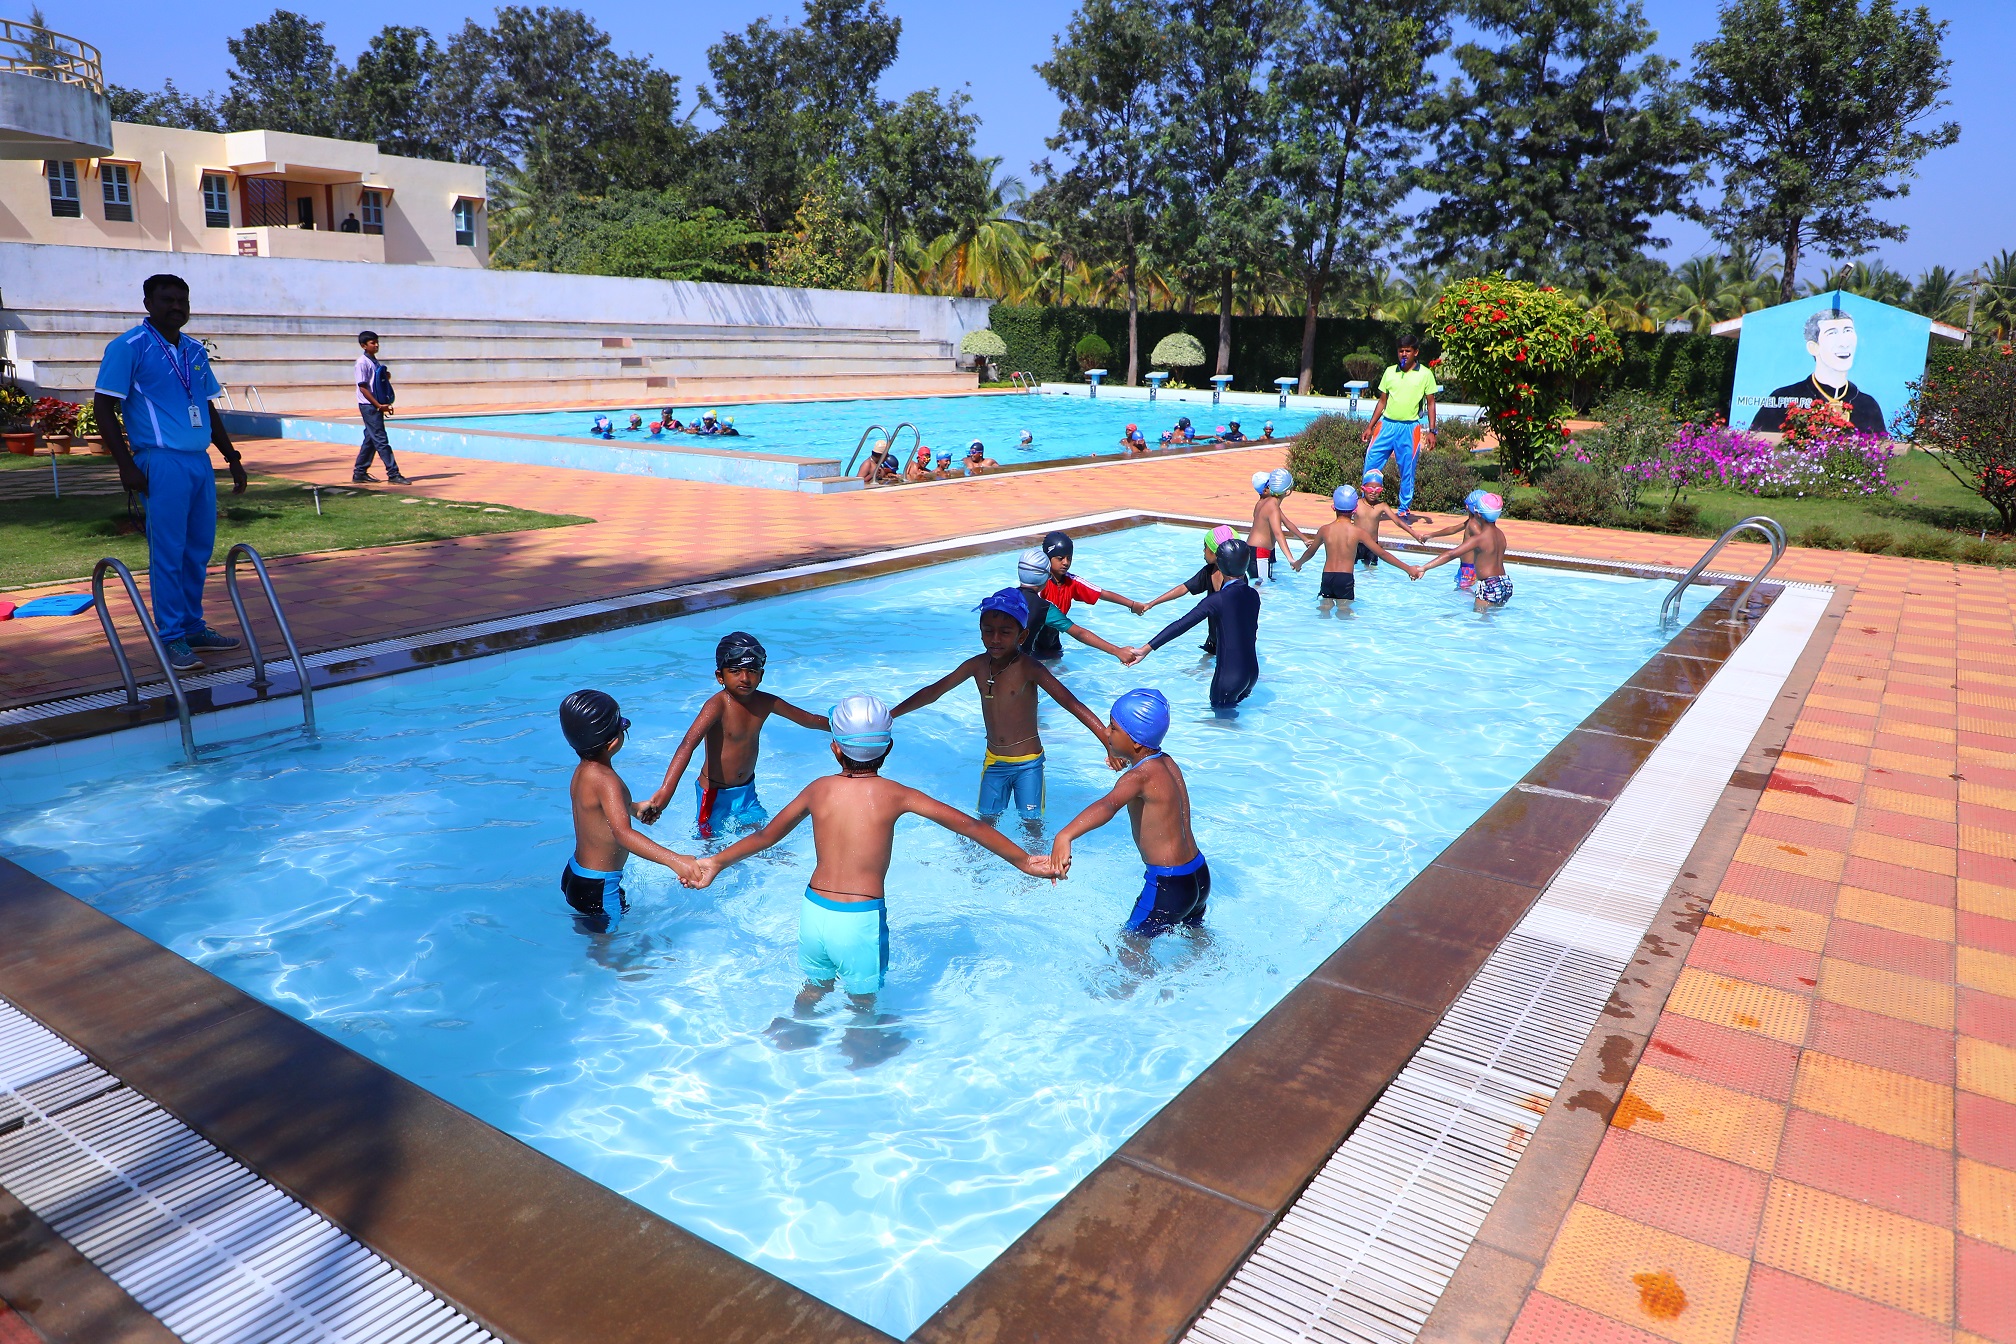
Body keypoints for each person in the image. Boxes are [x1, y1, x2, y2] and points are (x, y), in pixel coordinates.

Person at [688, 695, 1052, 1064]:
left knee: (816, 984)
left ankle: (798, 1027)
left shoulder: (818, 789)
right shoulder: (896, 795)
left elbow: (765, 837)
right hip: (859, 919)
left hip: (814, 911)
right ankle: (860, 1048)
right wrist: (1023, 861)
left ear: (835, 749)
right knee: (863, 999)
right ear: (888, 747)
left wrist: (716, 861)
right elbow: (971, 826)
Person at [92, 273, 249, 673]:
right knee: (169, 551)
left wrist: (230, 456)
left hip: (198, 462)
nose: (176, 306)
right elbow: (103, 407)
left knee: (198, 548)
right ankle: (171, 638)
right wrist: (126, 464)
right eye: (167, 300)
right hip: (159, 461)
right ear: (148, 303)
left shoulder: (195, 351)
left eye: (182, 300)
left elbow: (207, 407)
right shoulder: (129, 347)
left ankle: (193, 627)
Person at [891, 589, 1110, 827]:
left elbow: (1070, 703)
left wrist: (1106, 742)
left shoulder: (1029, 668)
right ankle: (973, 863)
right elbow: (933, 692)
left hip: (1028, 764)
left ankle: (1038, 862)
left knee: (1032, 825)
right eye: (988, 631)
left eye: (1005, 633)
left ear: (1022, 635)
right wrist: (891, 715)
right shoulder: (976, 666)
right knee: (985, 823)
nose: (995, 639)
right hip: (994, 762)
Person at [1048, 689, 1208, 967]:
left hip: (1168, 885)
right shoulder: (1166, 762)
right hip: (1198, 874)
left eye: (1113, 727)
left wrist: (1065, 835)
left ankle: (1131, 1004)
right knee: (1196, 942)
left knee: (1129, 948)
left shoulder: (1139, 777)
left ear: (1135, 742)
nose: (1107, 733)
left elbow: (1107, 805)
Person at [639, 632, 830, 839]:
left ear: (761, 675)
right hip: (714, 795)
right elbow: (687, 745)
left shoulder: (766, 702)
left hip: (747, 790)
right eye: (735, 671)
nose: (745, 678)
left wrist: (844, 727)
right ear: (720, 676)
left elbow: (808, 720)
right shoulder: (717, 706)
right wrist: (665, 792)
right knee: (712, 844)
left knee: (762, 838)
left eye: (752, 671)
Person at [560, 689, 698, 935]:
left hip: (576, 875)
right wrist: (676, 861)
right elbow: (623, 835)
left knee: (592, 931)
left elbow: (594, 810)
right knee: (608, 946)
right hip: (601, 886)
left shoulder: (582, 773)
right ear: (613, 742)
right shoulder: (607, 780)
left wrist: (634, 809)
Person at [1128, 539, 1262, 710]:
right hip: (1251, 674)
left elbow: (1181, 625)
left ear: (1219, 566)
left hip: (1229, 679)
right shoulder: (1253, 595)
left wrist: (1146, 649)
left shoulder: (1217, 599)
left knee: (1221, 726)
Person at [1748, 307, 1886, 433]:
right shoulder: (1783, 397)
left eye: (1848, 331)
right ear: (1813, 347)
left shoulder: (1867, 404)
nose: (1844, 343)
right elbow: (1758, 442)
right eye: (1832, 333)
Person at [1291, 485, 1424, 611]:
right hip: (1345, 578)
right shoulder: (1358, 532)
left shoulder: (1324, 530)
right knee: (1344, 610)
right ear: (1355, 509)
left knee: (1324, 608)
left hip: (1327, 577)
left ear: (1334, 507)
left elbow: (1311, 552)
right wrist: (1408, 568)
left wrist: (1298, 563)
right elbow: (1382, 554)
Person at [1360, 334, 1440, 519]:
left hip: (1409, 428)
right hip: (1386, 426)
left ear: (1416, 352)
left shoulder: (1425, 374)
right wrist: (1370, 426)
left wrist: (1432, 431)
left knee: (1407, 470)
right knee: (1371, 463)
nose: (1404, 354)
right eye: (1401, 351)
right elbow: (1382, 402)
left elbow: (1431, 404)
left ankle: (1403, 509)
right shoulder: (1389, 372)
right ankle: (1365, 505)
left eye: (1408, 351)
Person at [1015, 547, 1136, 663]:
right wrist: (1118, 651)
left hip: (1007, 659)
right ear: (1047, 575)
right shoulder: (1045, 608)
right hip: (1025, 663)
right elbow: (1080, 633)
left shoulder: (1001, 596)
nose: (1066, 563)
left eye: (1069, 558)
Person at [1141, 524, 1237, 655]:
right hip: (1213, 641)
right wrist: (1152, 603)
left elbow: (1184, 624)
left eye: (1205, 547)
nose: (1203, 551)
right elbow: (1184, 588)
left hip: (1231, 647)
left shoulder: (1236, 585)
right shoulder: (1209, 572)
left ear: (1216, 552)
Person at [1419, 491, 1512, 609]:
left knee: (1479, 620)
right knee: (1492, 617)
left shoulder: (1480, 539)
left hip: (1489, 584)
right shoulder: (1500, 535)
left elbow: (1451, 554)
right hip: (1504, 583)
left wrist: (1424, 568)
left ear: (1478, 514)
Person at [1039, 530, 1148, 627]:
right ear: (1047, 558)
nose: (1066, 563)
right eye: (1060, 558)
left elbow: (1102, 594)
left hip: (1053, 637)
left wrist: (1133, 605)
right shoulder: (1040, 583)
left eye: (1069, 558)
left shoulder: (1071, 582)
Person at [349, 330, 409, 485]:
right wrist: (378, 406)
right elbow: (363, 387)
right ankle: (393, 473)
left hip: (376, 405)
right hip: (369, 406)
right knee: (381, 440)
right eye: (372, 343)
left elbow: (376, 381)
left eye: (377, 342)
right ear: (363, 345)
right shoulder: (362, 363)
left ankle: (360, 472)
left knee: (371, 438)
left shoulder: (374, 361)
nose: (376, 345)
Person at [1246, 468, 1309, 583]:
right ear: (1288, 492)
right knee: (1261, 588)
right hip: (1259, 553)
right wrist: (1291, 559)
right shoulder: (1272, 507)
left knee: (1259, 584)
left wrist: (1305, 539)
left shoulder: (1266, 503)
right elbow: (1278, 534)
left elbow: (1288, 523)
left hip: (1252, 550)